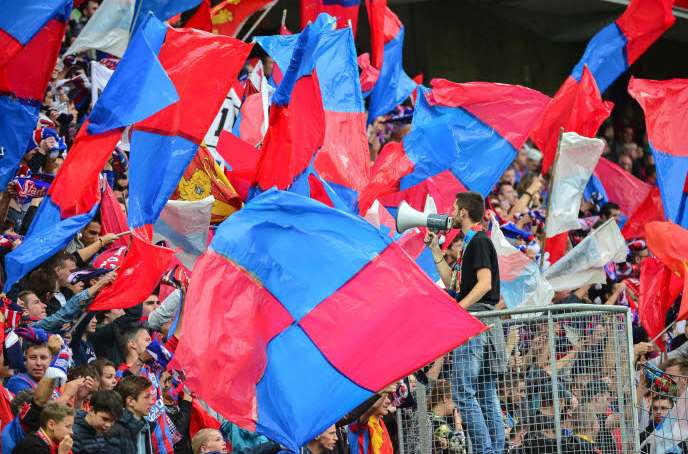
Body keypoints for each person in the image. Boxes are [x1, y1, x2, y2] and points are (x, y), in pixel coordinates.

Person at [426, 191, 503, 454]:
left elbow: (484, 285)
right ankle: (494, 450)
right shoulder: (470, 243)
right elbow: (453, 284)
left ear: (463, 212)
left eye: (453, 207)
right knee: (484, 393)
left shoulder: (479, 241)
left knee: (463, 393)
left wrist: (458, 310)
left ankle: (486, 450)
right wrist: (435, 249)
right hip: (479, 321)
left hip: (474, 323)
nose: (449, 212)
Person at [108, 375, 157, 454]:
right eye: (146, 397)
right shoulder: (115, 429)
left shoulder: (146, 426)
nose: (152, 402)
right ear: (130, 401)